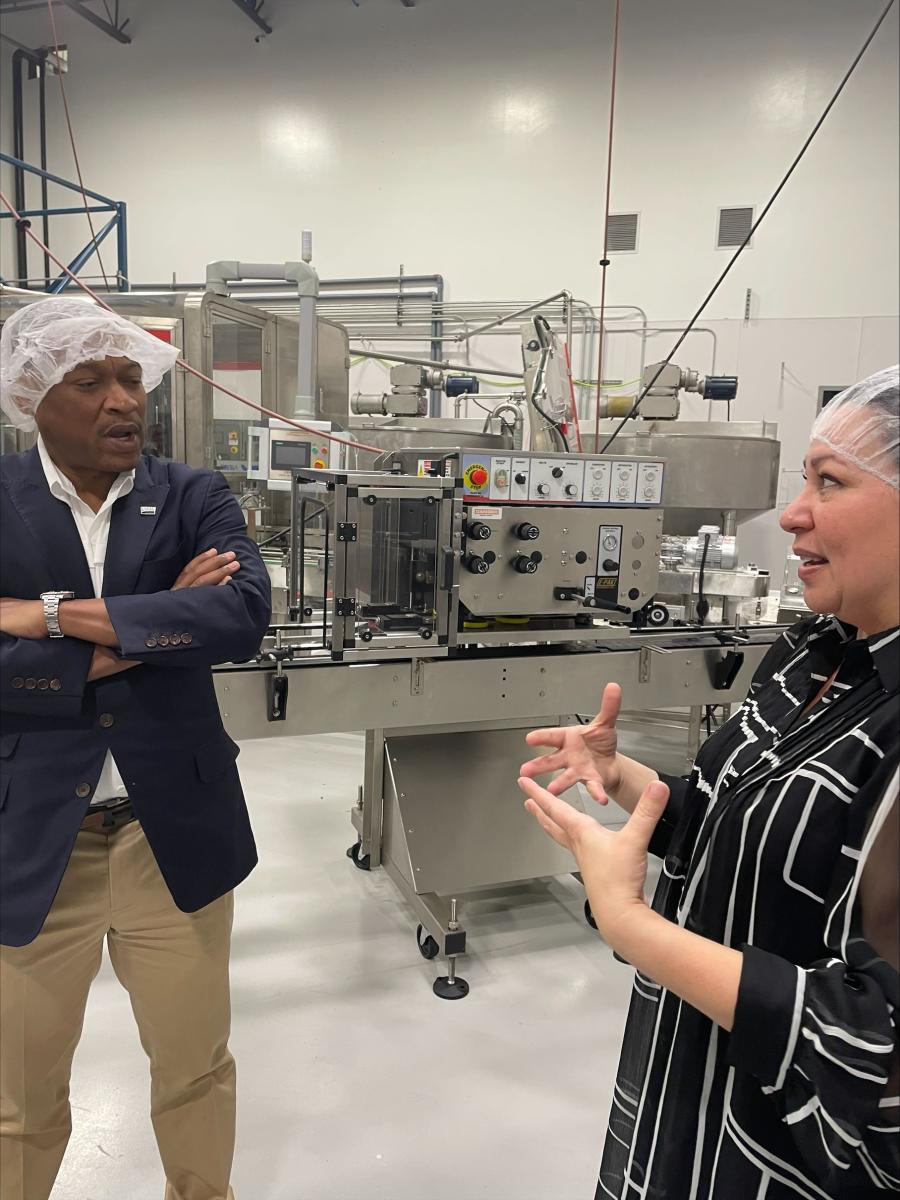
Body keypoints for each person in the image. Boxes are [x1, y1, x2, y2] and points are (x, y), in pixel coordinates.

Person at [519, 365, 899, 1199]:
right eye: (801, 477)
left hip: (780, 1161)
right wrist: (626, 781)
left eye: (828, 482)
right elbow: (744, 826)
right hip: (686, 1106)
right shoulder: (812, 652)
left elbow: (870, 1043)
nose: (793, 513)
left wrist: (629, 923)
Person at [0, 297, 271, 1200]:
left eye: (131, 379)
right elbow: (189, 625)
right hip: (33, 837)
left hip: (173, 832)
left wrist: (38, 618)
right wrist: (146, 636)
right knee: (19, 1099)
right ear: (33, 395)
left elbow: (238, 616)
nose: (124, 401)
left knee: (195, 1068)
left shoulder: (193, 493)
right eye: (92, 381)